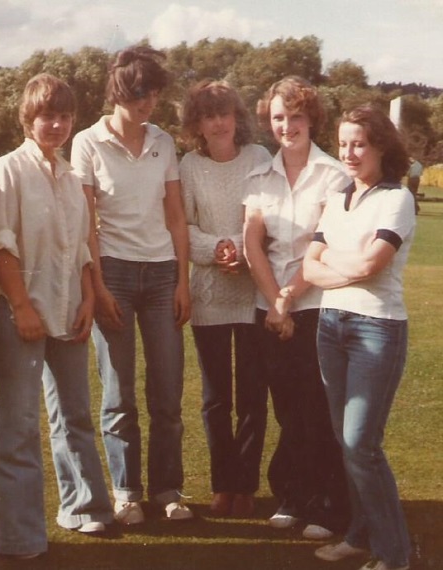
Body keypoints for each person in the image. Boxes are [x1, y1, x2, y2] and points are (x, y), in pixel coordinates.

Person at [0, 73, 113, 559]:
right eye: (46, 116)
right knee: (19, 426)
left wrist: (86, 300)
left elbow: (80, 246)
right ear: (28, 118)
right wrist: (21, 307)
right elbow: (0, 244)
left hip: (68, 311)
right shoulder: (7, 171)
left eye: (63, 116)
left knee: (75, 414)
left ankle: (85, 509)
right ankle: (18, 537)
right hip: (21, 314)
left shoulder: (69, 177)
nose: (56, 124)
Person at [71, 45, 193, 525]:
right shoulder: (87, 142)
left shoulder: (163, 141)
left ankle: (168, 491)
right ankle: (127, 492)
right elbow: (86, 223)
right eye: (142, 94)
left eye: (155, 94)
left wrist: (183, 281)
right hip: (114, 273)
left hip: (163, 273)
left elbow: (177, 216)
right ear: (121, 91)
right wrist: (97, 287)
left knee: (167, 391)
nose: (150, 104)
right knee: (119, 393)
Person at [305, 105, 414, 570]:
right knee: (345, 441)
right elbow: (308, 267)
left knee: (360, 444)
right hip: (331, 327)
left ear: (381, 147)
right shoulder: (337, 197)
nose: (349, 153)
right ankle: (358, 534)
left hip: (377, 328)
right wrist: (341, 269)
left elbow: (374, 265)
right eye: (344, 143)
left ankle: (395, 554)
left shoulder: (397, 199)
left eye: (359, 144)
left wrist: (334, 267)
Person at [242, 76, 351, 539]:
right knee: (286, 407)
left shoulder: (334, 175)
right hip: (269, 309)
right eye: (279, 118)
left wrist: (288, 298)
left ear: (312, 118)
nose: (288, 126)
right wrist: (274, 302)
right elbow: (252, 242)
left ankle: (325, 502)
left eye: (296, 116)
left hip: (317, 304)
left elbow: (326, 245)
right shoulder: (258, 176)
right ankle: (291, 493)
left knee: (317, 407)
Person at [179, 79, 271, 518]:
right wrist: (218, 251)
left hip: (254, 292)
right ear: (196, 124)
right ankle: (223, 485)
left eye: (224, 113)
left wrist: (241, 249)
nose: (217, 123)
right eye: (208, 116)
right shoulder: (189, 166)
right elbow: (185, 228)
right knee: (216, 398)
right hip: (209, 297)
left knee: (253, 394)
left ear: (237, 118)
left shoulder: (259, 158)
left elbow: (269, 219)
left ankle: (246, 486)